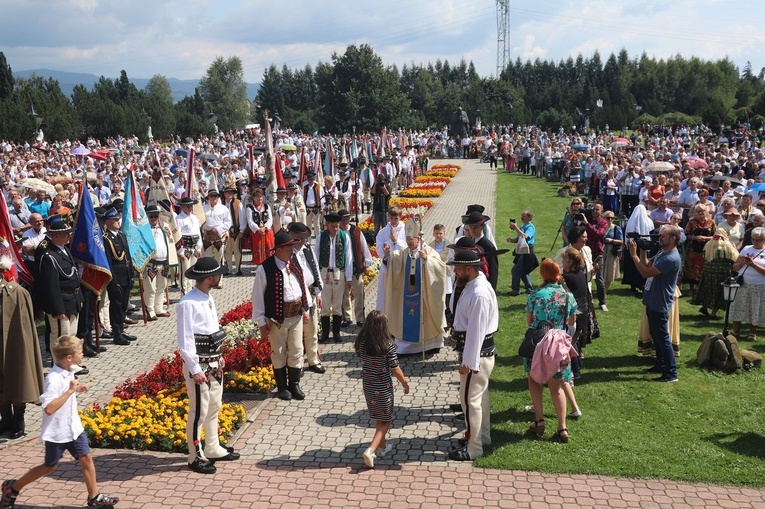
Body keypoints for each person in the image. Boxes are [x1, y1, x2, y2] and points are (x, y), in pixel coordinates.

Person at [1, 336, 120, 508]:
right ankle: (13, 488)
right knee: (49, 466)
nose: (82, 355)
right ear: (69, 357)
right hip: (58, 432)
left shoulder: (69, 369)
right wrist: (71, 390)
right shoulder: (53, 378)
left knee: (86, 457)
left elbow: (64, 393)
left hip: (74, 427)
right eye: (80, 352)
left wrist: (76, 389)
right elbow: (48, 408)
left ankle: (94, 497)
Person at [176, 257, 240, 475]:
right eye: (218, 274)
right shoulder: (188, 303)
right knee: (199, 411)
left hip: (214, 361)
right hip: (200, 366)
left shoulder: (207, 297)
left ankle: (212, 446)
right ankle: (194, 455)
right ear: (209, 277)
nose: (220, 277)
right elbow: (185, 341)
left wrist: (219, 355)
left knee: (214, 406)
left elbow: (212, 330)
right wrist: (194, 369)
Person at [446, 249, 498, 460]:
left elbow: (476, 330)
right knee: (479, 399)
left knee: (469, 402)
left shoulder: (478, 293)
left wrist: (468, 362)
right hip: (478, 353)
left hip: (477, 354)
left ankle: (473, 447)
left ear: (469, 268)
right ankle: (481, 437)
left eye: (458, 267)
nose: (455, 271)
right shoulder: (474, 285)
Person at [252, 231, 311, 401]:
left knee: (297, 349)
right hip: (276, 319)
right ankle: (282, 387)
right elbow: (257, 297)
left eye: (292, 247)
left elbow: (302, 286)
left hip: (296, 315)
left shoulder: (294, 262)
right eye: (288, 248)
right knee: (278, 352)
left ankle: (294, 384)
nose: (292, 251)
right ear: (278, 249)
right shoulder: (265, 268)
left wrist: (306, 309)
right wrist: (261, 323)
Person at [525, 259, 578, 443]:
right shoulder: (568, 296)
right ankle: (562, 428)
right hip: (558, 344)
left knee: (534, 378)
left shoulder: (535, 294)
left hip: (539, 342)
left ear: (543, 274)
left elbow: (529, 320)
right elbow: (571, 324)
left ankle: (539, 421)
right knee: (557, 386)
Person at [383, 218, 447, 356]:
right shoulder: (404, 253)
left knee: (426, 318)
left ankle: (432, 345)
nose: (408, 243)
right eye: (406, 240)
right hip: (407, 296)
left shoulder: (428, 251)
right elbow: (394, 259)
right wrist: (388, 255)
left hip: (424, 295)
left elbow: (441, 268)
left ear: (418, 239)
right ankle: (406, 347)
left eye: (411, 240)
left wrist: (427, 261)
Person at [355, 310, 409, 469]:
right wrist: (404, 383)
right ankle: (370, 450)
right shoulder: (388, 345)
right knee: (387, 420)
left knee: (379, 416)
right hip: (383, 386)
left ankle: (382, 448)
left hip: (368, 385)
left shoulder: (362, 342)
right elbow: (395, 369)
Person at [628, 225, 682, 382]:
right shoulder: (662, 252)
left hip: (659, 302)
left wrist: (633, 255)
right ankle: (661, 364)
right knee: (656, 335)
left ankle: (671, 372)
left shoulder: (670, 258)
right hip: (652, 300)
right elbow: (647, 264)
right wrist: (643, 249)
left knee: (663, 338)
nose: (659, 239)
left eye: (663, 237)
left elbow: (645, 273)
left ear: (673, 239)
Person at [0, 255, 44, 441]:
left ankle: (18, 418)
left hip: (12, 343)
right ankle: (6, 418)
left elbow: (25, 331)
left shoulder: (17, 293)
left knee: (17, 373)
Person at [288, 222, 324, 374]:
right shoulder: (288, 252)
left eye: (304, 238)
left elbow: (315, 268)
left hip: (311, 293)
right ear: (291, 236)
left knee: (312, 329)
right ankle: (297, 365)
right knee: (297, 333)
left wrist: (319, 292)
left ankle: (313, 360)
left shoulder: (307, 249)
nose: (303, 241)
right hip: (297, 297)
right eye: (299, 238)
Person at [313, 212, 353, 343]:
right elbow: (316, 256)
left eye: (337, 226)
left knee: (337, 303)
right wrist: (316, 276)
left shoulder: (344, 237)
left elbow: (348, 258)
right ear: (327, 225)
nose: (335, 229)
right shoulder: (320, 237)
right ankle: (325, 332)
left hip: (338, 272)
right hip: (324, 271)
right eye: (333, 226)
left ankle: (336, 332)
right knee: (325, 304)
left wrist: (349, 278)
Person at [102, 208, 136, 347]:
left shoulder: (121, 235)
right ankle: (117, 333)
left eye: (118, 219)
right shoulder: (106, 239)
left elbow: (127, 256)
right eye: (115, 220)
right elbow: (109, 262)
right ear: (108, 222)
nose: (118, 222)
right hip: (116, 277)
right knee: (116, 306)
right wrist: (113, 281)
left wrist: (132, 273)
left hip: (126, 274)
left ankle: (121, 329)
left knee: (123, 305)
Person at [692, 228, 738, 319]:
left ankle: (704, 307)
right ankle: (713, 313)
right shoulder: (726, 245)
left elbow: (704, 255)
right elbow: (734, 258)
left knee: (707, 289)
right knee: (719, 292)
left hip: (708, 270)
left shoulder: (708, 244)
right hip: (721, 272)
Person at [730, 227, 765, 342]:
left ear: (763, 240)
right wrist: (742, 262)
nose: (755, 242)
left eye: (758, 240)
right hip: (743, 283)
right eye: (753, 239)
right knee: (737, 307)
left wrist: (753, 265)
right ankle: (736, 331)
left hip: (759, 285)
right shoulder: (746, 249)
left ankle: (752, 332)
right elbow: (734, 267)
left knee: (755, 308)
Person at [340, 209, 373, 327]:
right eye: (343, 219)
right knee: (345, 293)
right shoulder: (337, 232)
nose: (345, 221)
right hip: (342, 267)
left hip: (356, 266)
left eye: (347, 218)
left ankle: (359, 317)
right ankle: (347, 317)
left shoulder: (356, 231)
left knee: (359, 292)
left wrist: (367, 264)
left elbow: (364, 246)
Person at [142, 205, 172, 321]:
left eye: (156, 216)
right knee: (150, 288)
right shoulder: (144, 229)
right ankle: (150, 310)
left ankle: (159, 308)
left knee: (161, 287)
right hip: (151, 263)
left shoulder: (163, 228)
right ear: (147, 216)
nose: (154, 218)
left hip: (163, 262)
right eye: (151, 216)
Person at [375, 206, 407, 312]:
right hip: (387, 267)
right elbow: (379, 250)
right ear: (388, 217)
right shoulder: (383, 232)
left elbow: (409, 249)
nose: (393, 221)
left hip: (402, 267)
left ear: (400, 217)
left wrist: (396, 241)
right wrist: (386, 251)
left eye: (396, 219)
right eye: (391, 218)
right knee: (385, 294)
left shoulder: (406, 230)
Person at [684, 204, 716, 295]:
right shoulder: (691, 222)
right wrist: (694, 237)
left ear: (706, 212)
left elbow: (715, 236)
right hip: (693, 249)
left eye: (703, 211)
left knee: (704, 268)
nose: (701, 213)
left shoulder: (711, 222)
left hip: (706, 249)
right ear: (695, 212)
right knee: (691, 267)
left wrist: (705, 238)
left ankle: (701, 289)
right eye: (699, 211)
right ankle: (691, 288)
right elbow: (686, 234)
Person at [464, 211, 498, 290]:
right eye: (471, 227)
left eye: (475, 227)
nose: (472, 230)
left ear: (482, 226)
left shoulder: (489, 246)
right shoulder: (469, 242)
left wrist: (491, 290)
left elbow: (493, 273)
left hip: (482, 285)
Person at [175, 197, 203, 295]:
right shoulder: (178, 219)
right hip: (185, 248)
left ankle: (191, 291)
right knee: (185, 272)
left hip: (194, 248)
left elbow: (198, 233)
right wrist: (180, 252)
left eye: (191, 206)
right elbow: (177, 235)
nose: (190, 208)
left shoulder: (194, 218)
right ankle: (184, 293)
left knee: (192, 271)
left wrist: (199, 248)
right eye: (187, 206)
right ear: (182, 207)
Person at [507, 210, 536, 296]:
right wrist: (512, 240)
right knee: (523, 271)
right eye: (521, 215)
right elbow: (519, 238)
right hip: (521, 251)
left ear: (529, 218)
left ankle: (516, 290)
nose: (522, 217)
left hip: (527, 251)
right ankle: (529, 289)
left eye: (524, 216)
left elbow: (525, 236)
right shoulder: (522, 226)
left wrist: (516, 228)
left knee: (515, 270)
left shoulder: (531, 227)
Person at [202, 188, 232, 265]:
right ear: (208, 197)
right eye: (211, 196)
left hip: (219, 238)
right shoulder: (204, 208)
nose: (214, 198)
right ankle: (208, 276)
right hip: (207, 239)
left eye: (216, 196)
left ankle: (219, 277)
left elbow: (228, 222)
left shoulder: (223, 208)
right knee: (206, 259)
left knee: (219, 261)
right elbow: (200, 221)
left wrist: (217, 230)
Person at [245, 188, 273, 266]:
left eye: (261, 196)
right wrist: (258, 229)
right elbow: (250, 221)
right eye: (257, 197)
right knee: (258, 251)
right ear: (253, 198)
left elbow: (270, 218)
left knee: (268, 249)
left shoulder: (267, 207)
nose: (259, 198)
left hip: (267, 232)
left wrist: (265, 227)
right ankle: (259, 266)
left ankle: (269, 265)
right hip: (257, 233)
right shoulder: (250, 208)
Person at [221, 186, 244, 275]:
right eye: (227, 192)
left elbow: (242, 217)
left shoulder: (238, 203)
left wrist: (242, 230)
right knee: (227, 250)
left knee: (237, 250)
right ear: (224, 194)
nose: (229, 194)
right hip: (225, 230)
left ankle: (238, 269)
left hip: (235, 230)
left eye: (231, 192)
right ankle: (229, 269)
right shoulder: (221, 204)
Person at [601, 210, 623, 295]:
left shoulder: (616, 228)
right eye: (608, 218)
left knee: (610, 272)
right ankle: (602, 289)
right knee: (600, 272)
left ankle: (604, 291)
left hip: (611, 251)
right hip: (602, 250)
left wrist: (612, 240)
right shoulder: (600, 227)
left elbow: (621, 241)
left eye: (612, 218)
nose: (610, 220)